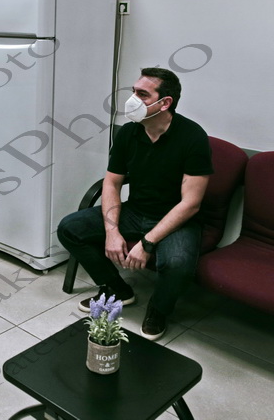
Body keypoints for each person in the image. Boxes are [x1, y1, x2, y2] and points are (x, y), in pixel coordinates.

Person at [57, 67, 213, 341]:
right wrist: (112, 231)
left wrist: (147, 243)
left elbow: (191, 204)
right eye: (133, 92)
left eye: (142, 94)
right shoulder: (129, 133)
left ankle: (159, 308)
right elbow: (111, 183)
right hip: (136, 210)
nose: (132, 100)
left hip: (176, 219)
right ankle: (117, 289)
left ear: (165, 103)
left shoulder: (193, 137)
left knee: (177, 264)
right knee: (69, 228)